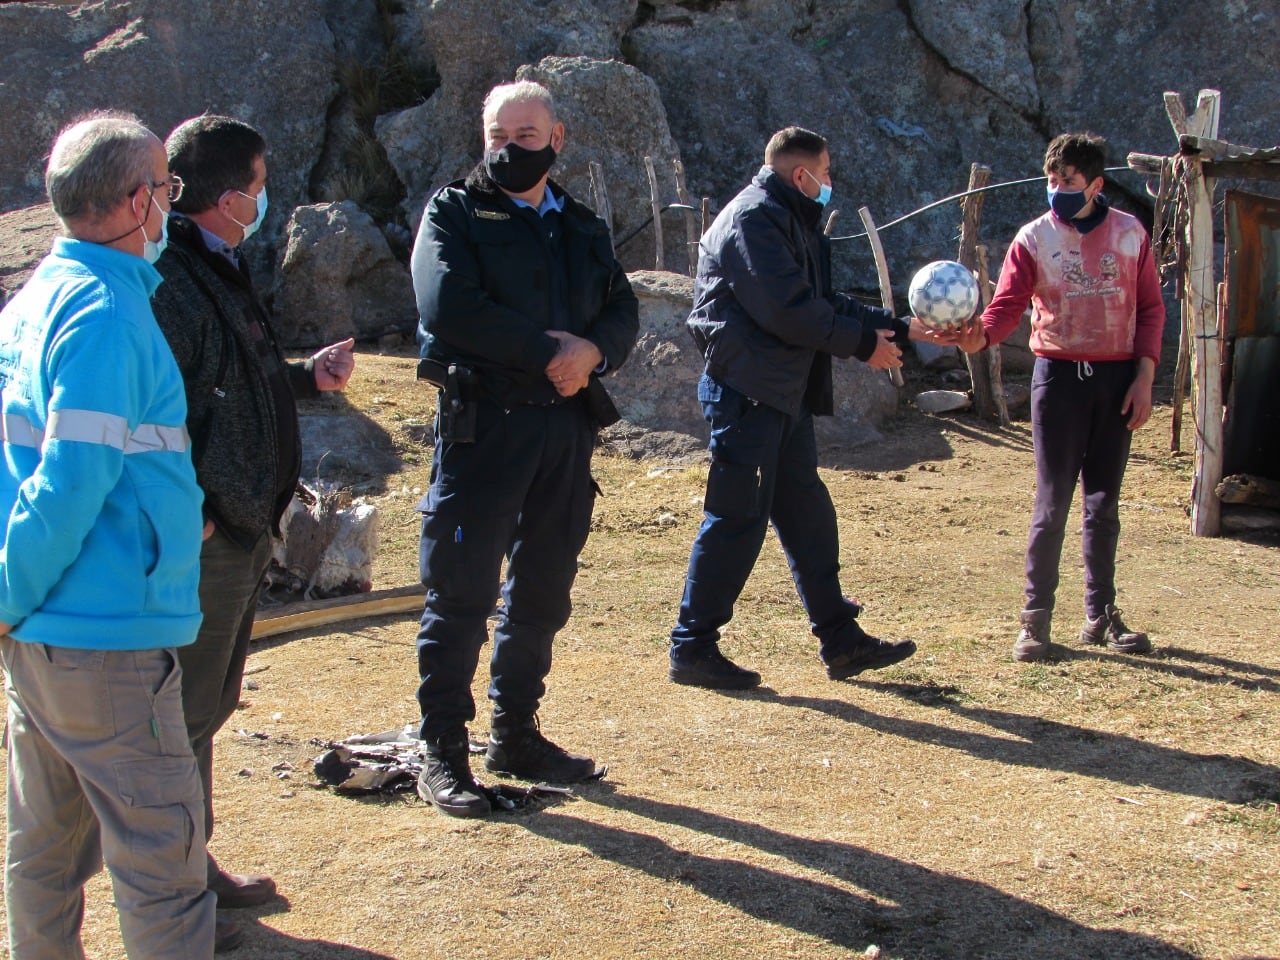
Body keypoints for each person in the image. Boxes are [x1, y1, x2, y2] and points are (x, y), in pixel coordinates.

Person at [0, 112, 214, 959]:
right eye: (168, 188)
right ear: (136, 201)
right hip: (102, 635)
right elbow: (72, 478)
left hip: (48, 635)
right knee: (161, 865)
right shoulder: (105, 313)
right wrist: (8, 593)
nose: (171, 204)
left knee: (44, 849)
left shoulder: (36, 300)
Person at [410, 80, 638, 818]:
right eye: (497, 137)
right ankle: (442, 748)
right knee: (462, 592)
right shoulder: (454, 211)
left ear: (558, 138)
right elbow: (449, 308)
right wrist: (552, 351)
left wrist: (595, 352)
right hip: (487, 427)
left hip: (564, 431)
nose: (509, 150)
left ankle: (515, 733)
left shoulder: (578, 222)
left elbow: (622, 305)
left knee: (542, 589)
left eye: (526, 137)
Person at [150, 115, 356, 924]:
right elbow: (160, 410)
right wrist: (193, 509)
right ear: (232, 196)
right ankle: (174, 893)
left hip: (240, 524)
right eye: (261, 186)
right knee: (185, 712)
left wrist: (307, 379)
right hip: (207, 533)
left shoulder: (218, 264)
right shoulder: (168, 276)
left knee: (209, 704)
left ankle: (188, 865)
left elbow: (230, 382)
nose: (267, 199)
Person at [668, 126, 927, 690]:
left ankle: (840, 638)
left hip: (781, 395)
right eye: (826, 173)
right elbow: (786, 311)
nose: (831, 183)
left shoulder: (794, 219)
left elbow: (822, 302)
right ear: (800, 175)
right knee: (737, 519)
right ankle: (692, 647)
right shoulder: (754, 220)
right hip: (747, 394)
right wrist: (863, 346)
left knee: (807, 515)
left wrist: (898, 328)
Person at [939, 132, 1165, 662]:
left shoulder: (1131, 235)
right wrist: (977, 337)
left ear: (1096, 185)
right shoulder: (1034, 239)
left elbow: (1152, 310)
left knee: (1103, 503)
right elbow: (1007, 306)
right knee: (1052, 503)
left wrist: (1144, 377)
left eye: (1068, 180)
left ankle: (1100, 613)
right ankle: (1035, 620)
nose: (1056, 188)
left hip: (1117, 382)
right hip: (1059, 380)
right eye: (1051, 179)